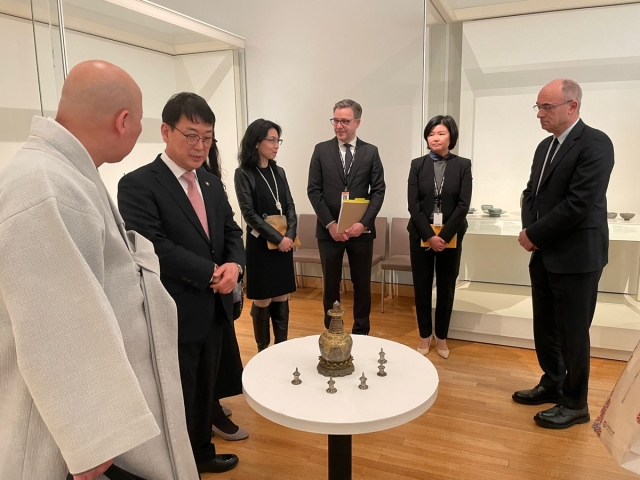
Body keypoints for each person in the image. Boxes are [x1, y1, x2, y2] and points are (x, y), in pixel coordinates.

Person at [0, 61, 199, 479]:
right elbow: (55, 324)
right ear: (123, 121)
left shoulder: (61, 174)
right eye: (140, 121)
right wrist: (94, 442)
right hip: (79, 446)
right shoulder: (42, 184)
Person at [118, 92, 245, 473]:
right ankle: (181, 464)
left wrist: (235, 266)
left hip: (216, 306)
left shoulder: (209, 183)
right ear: (165, 131)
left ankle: (202, 454)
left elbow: (231, 231)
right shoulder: (138, 184)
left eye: (207, 137)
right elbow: (154, 245)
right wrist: (211, 273)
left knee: (208, 387)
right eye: (191, 135)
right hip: (176, 306)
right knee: (180, 393)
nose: (200, 145)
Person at [514, 79, 614, 429]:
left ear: (572, 106)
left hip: (577, 256)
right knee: (545, 326)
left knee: (573, 332)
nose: (540, 114)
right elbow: (532, 194)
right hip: (545, 252)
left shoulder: (596, 143)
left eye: (547, 107)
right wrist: (532, 232)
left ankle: (575, 403)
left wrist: (534, 234)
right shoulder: (545, 147)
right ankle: (553, 381)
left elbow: (578, 204)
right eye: (538, 107)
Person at [307, 99, 385, 335]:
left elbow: (378, 191)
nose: (339, 126)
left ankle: (361, 331)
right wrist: (330, 224)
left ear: (357, 122)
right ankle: (332, 332)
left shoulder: (370, 152)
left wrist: (363, 224)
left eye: (345, 121)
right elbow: (313, 190)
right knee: (331, 285)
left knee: (361, 284)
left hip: (360, 232)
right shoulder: (321, 150)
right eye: (336, 120)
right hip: (329, 231)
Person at [407, 115, 472, 360]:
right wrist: (428, 236)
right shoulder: (417, 164)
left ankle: (442, 336)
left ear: (451, 137)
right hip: (421, 235)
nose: (436, 137)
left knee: (446, 287)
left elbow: (463, 204)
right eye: (432, 133)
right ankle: (425, 335)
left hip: (451, 236)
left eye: (441, 133)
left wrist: (442, 236)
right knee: (422, 287)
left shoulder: (463, 165)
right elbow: (413, 205)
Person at [234, 119, 297, 351]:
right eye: (271, 140)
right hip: (261, 246)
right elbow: (249, 213)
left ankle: (281, 348)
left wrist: (289, 235)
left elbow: (289, 205)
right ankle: (264, 350)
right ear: (256, 142)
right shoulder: (243, 173)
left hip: (284, 244)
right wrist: (278, 239)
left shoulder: (278, 171)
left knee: (281, 296)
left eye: (277, 140)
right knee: (264, 299)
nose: (276, 145)